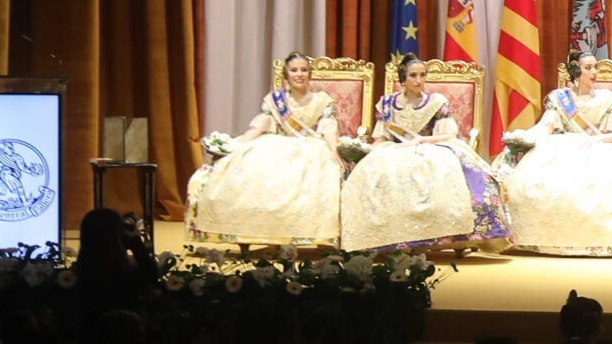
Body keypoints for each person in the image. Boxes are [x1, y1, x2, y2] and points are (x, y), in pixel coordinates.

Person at [340, 55, 509, 252]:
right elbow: (382, 137)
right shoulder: (387, 105)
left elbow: (448, 134)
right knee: (375, 171)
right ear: (403, 78)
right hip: (394, 149)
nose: (419, 80)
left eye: (422, 75)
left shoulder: (436, 102)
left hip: (430, 147)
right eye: (413, 75)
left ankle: (443, 235)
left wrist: (421, 140)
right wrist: (368, 153)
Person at [186, 51, 342, 248]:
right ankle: (254, 234)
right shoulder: (275, 100)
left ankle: (314, 234)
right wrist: (236, 145)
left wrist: (334, 152)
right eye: (294, 70)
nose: (299, 74)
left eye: (303, 70)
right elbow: (260, 126)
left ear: (310, 74)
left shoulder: (321, 100)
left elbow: (328, 127)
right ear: (286, 74)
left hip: (310, 148)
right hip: (276, 145)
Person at [503, 50, 612, 256]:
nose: (594, 72)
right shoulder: (560, 99)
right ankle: (544, 238)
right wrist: (525, 138)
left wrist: (594, 140)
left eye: (595, 67)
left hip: (599, 147)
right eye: (588, 68)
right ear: (576, 70)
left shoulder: (606, 99)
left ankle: (600, 240)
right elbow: (547, 128)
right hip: (562, 147)